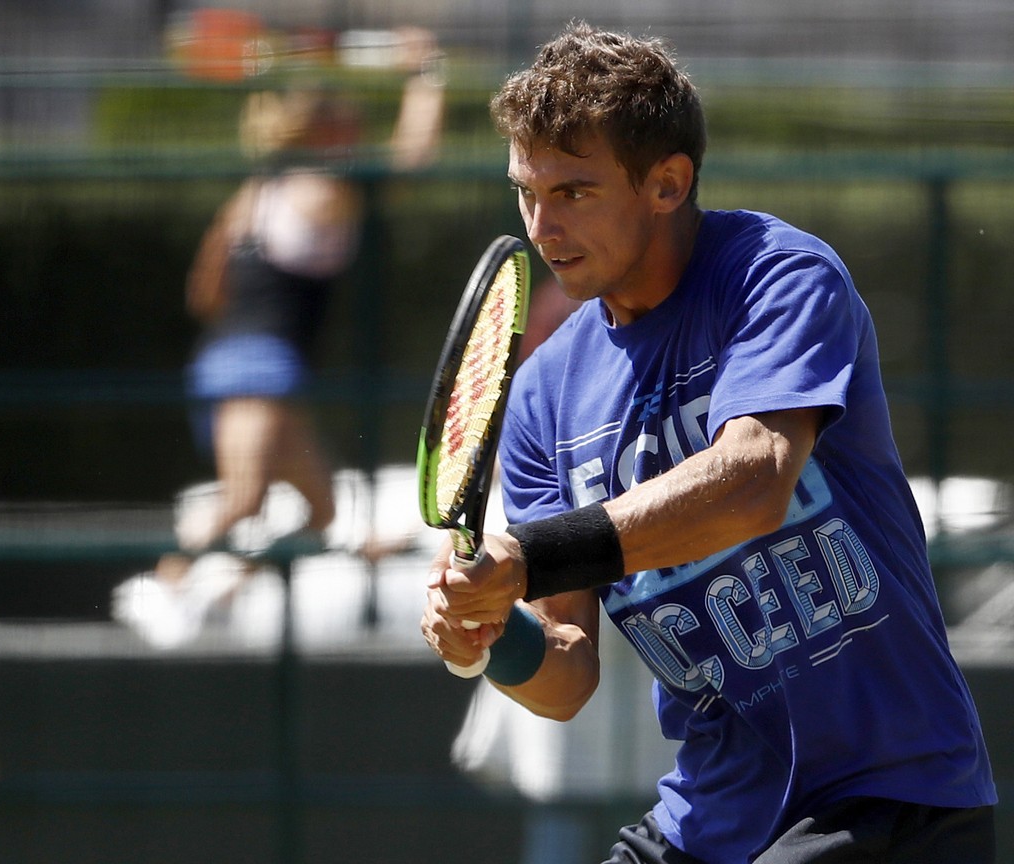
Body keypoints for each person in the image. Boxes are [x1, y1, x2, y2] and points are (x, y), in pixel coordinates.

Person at [421, 22, 996, 864]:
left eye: (574, 192)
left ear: (667, 182)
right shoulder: (544, 395)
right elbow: (568, 674)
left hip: (891, 804)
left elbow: (753, 481)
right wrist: (491, 631)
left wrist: (527, 557)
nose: (542, 226)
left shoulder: (778, 275)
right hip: (707, 823)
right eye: (526, 192)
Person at [163, 26, 445, 578]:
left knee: (323, 512)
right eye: (349, 120)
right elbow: (411, 161)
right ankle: (160, 589)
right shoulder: (325, 190)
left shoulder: (255, 190)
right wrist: (425, 75)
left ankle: (222, 584)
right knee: (244, 499)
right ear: (326, 131)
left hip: (222, 361)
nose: (359, 128)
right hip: (262, 366)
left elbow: (204, 291)